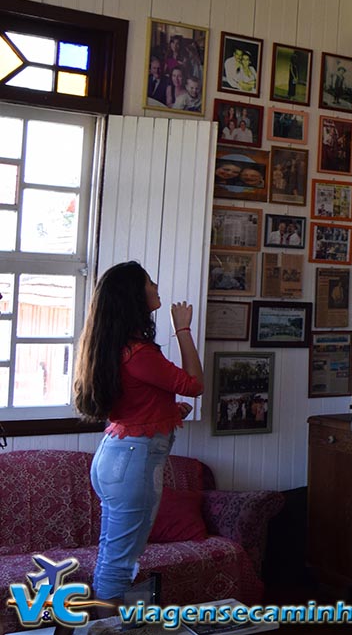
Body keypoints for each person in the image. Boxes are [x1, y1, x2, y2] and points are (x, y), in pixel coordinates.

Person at [72, 262, 204, 613]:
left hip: (116, 456)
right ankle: (105, 628)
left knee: (114, 556)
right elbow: (195, 384)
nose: (156, 285)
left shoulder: (118, 347)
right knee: (118, 565)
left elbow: (135, 405)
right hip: (133, 462)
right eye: (149, 281)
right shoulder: (139, 352)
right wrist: (184, 329)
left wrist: (171, 412)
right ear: (135, 295)